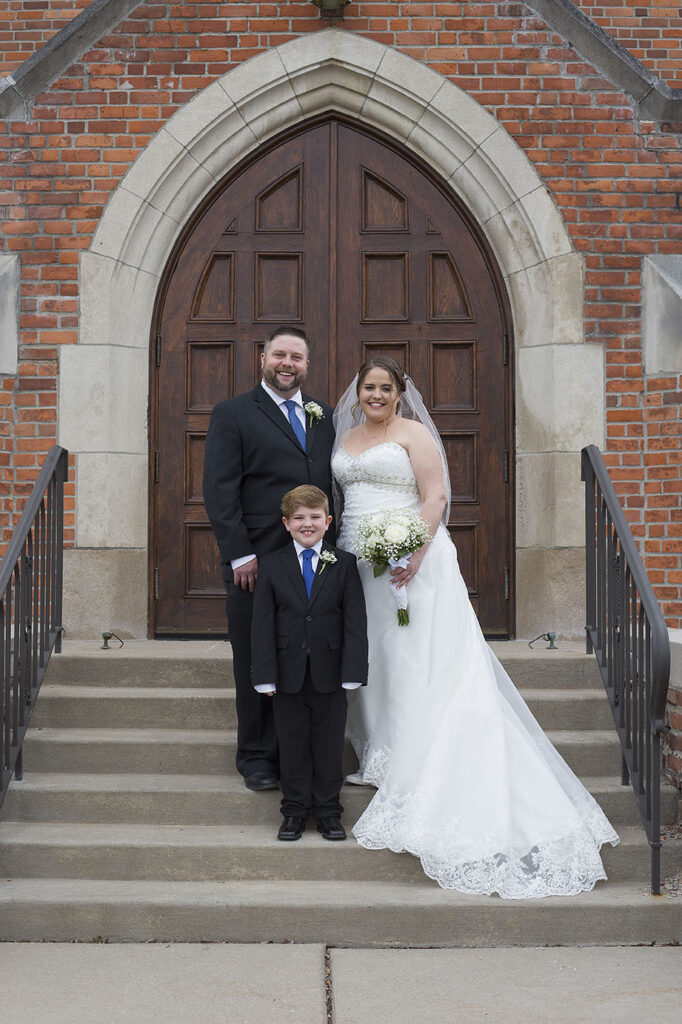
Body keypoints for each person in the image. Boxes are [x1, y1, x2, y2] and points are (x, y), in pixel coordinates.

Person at [331, 356, 619, 898]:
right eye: (368, 387)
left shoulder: (414, 434)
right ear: (358, 393)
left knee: (417, 656)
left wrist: (411, 553)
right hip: (358, 561)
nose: (375, 395)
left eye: (384, 388)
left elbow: (436, 496)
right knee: (376, 657)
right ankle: (377, 752)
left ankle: (413, 755)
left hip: (410, 561)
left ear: (399, 392)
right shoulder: (344, 437)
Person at [203, 327, 336, 792]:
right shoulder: (234, 413)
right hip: (256, 561)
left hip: (312, 564)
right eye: (279, 354)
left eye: (296, 357)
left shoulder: (325, 416)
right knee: (257, 657)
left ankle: (293, 753)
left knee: (302, 655)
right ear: (263, 357)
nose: (287, 363)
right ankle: (256, 755)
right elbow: (220, 491)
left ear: (307, 364)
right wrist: (239, 554)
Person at [250, 485, 368, 841]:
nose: (307, 524)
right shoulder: (271, 564)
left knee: (329, 745)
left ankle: (330, 812)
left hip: (330, 674)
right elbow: (262, 624)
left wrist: (353, 672)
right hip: (287, 675)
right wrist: (264, 676)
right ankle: (295, 811)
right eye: (299, 518)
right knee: (293, 744)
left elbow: (355, 622)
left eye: (315, 517)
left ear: (328, 521)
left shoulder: (344, 563)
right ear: (286, 524)